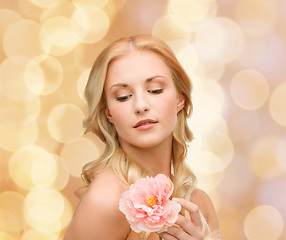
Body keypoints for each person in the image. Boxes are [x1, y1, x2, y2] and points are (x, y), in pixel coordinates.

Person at [64, 35, 220, 240]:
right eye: (123, 96)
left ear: (180, 98)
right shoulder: (106, 199)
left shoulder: (198, 205)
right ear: (108, 112)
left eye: (155, 90)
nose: (140, 106)